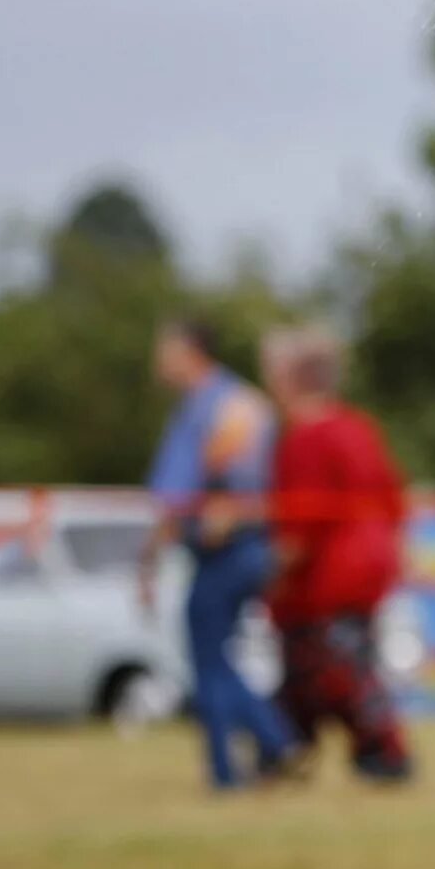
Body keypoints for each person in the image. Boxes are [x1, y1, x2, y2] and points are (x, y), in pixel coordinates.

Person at [140, 315, 303, 789]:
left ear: (188, 350)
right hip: (248, 547)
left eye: (163, 348)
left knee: (208, 660)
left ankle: (244, 758)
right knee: (216, 655)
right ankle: (261, 747)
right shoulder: (243, 401)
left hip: (224, 550)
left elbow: (180, 495)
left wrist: (148, 559)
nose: (157, 360)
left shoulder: (208, 408)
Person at [260, 328, 414, 781]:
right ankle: (289, 745)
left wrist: (274, 571)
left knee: (336, 670)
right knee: (322, 670)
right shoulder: (358, 428)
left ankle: (381, 751)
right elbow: (393, 498)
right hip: (369, 567)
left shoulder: (307, 437)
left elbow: (300, 524)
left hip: (328, 577)